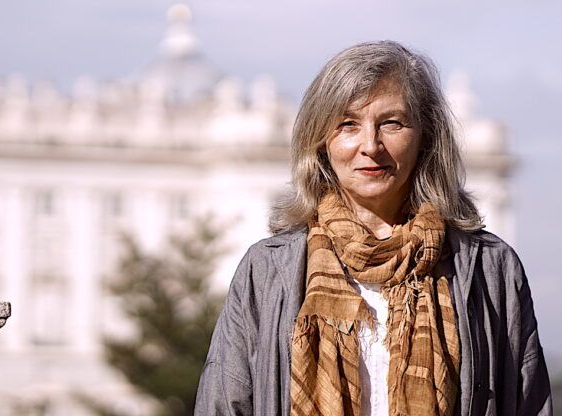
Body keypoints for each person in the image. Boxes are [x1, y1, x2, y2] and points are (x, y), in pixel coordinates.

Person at [194, 41, 552, 415]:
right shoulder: (267, 269)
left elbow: (528, 403)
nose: (370, 145)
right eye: (348, 124)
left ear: (425, 137)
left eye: (391, 123)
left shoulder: (489, 267)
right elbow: (224, 403)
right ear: (321, 143)